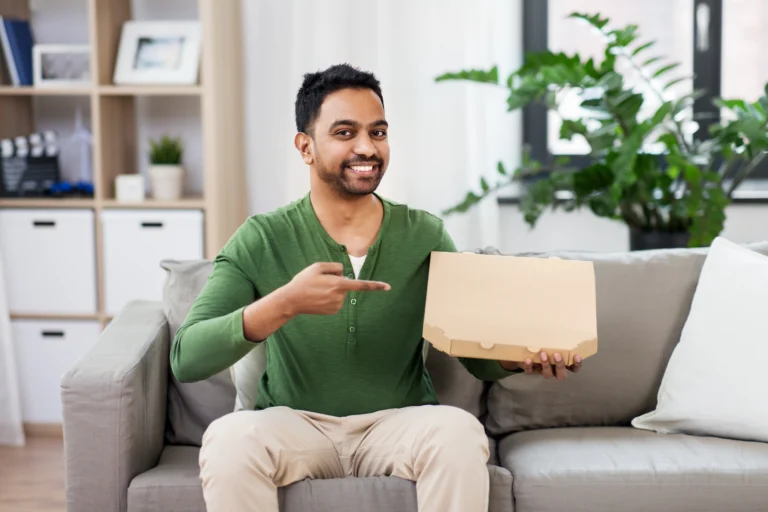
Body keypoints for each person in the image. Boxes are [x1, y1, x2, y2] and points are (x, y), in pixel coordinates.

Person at [171, 63, 582, 512]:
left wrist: (520, 356)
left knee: (458, 431)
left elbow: (474, 358)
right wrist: (284, 304)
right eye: (345, 133)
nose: (367, 147)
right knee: (229, 438)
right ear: (305, 147)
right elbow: (187, 358)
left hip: (399, 424)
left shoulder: (425, 235)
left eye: (378, 132)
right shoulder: (261, 238)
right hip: (293, 425)